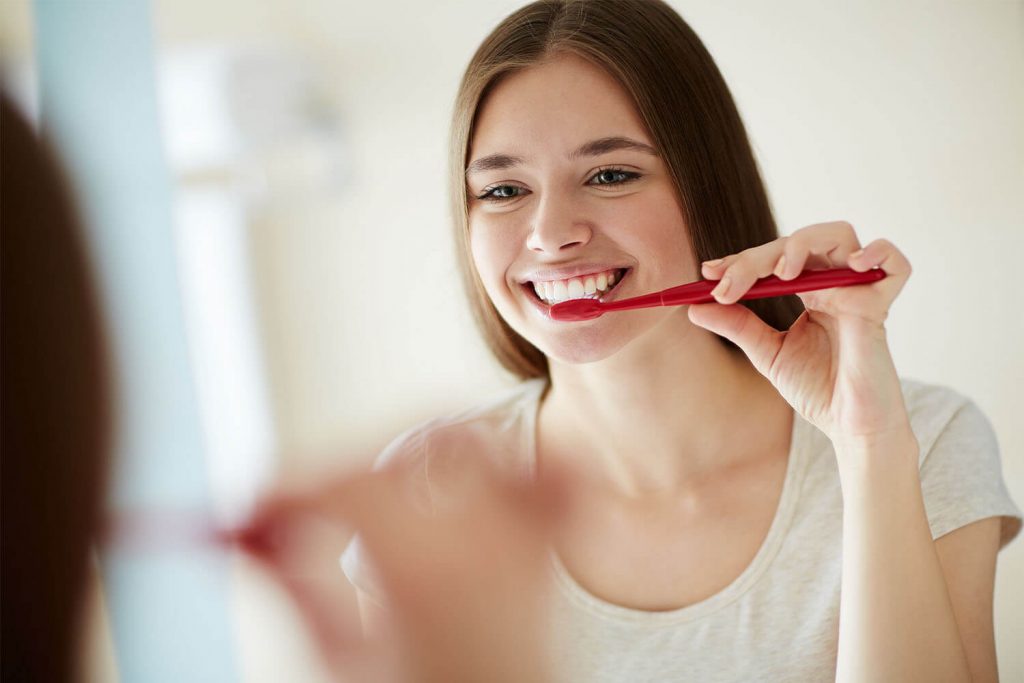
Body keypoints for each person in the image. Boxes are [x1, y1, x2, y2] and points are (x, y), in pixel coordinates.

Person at [337, 1, 1023, 681]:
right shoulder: (428, 489)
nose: (550, 233)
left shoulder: (923, 441)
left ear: (706, 185)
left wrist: (868, 442)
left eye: (610, 175)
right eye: (504, 189)